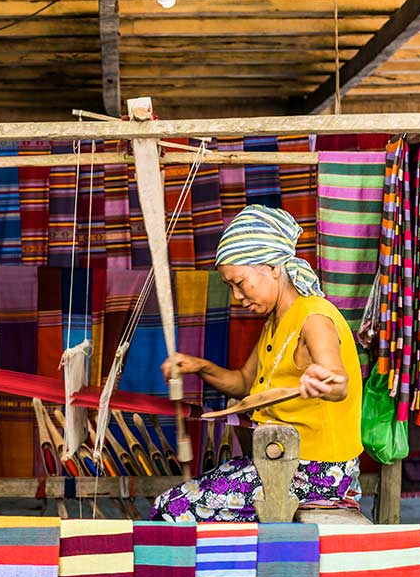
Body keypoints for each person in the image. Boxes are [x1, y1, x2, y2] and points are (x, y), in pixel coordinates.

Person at [150, 204, 364, 522]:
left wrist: (327, 380)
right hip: (282, 459)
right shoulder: (276, 322)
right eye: (230, 286)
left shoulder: (314, 317)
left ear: (272, 268)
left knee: (171, 509)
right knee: (182, 494)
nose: (237, 296)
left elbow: (338, 379)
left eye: (240, 282)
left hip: (317, 474)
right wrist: (200, 366)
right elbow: (243, 383)